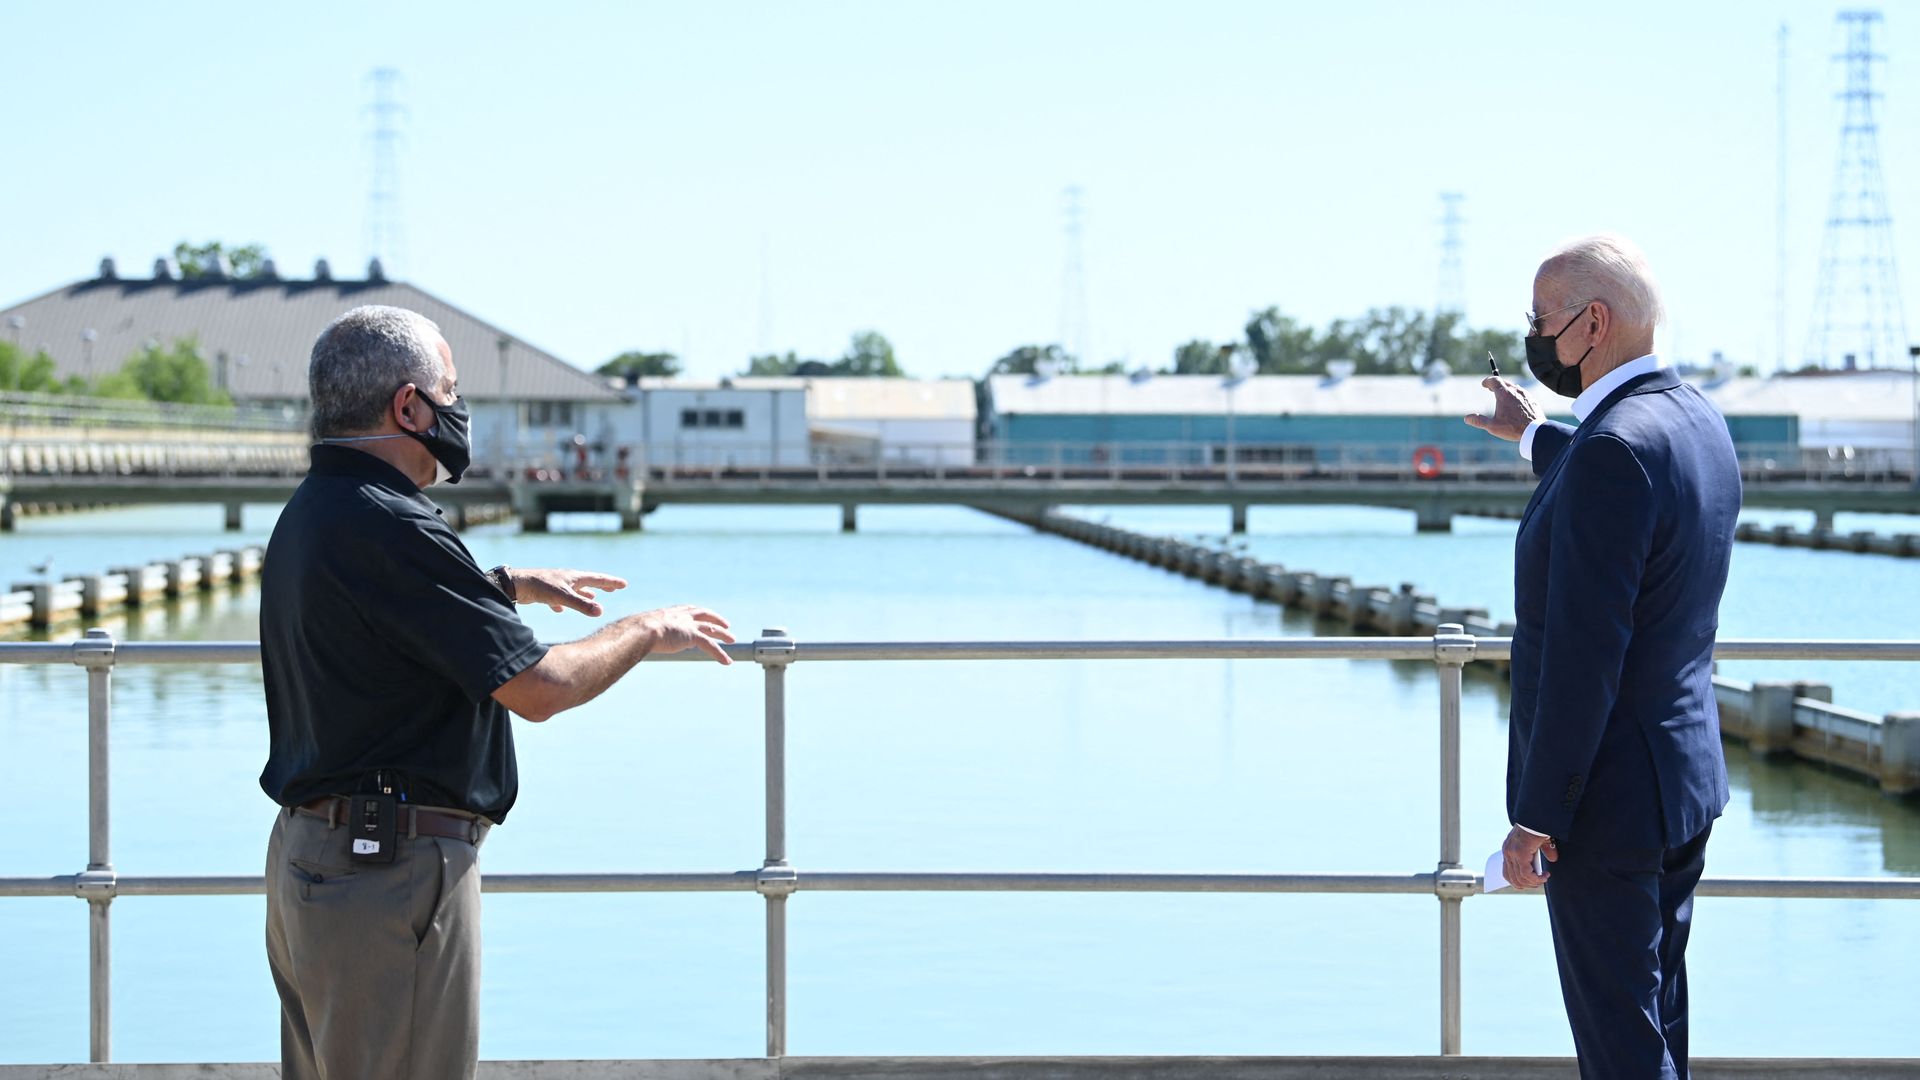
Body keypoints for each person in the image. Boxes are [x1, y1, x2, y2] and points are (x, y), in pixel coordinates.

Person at [259, 305, 735, 1080]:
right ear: (408, 407)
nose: (459, 411)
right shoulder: (392, 525)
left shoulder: (319, 510)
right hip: (389, 876)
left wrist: (503, 587)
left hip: (315, 864)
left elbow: (386, 619)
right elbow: (541, 689)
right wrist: (646, 630)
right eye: (449, 392)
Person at [1465, 234, 1741, 1078]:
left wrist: (1538, 820)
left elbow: (1586, 659)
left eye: (1541, 320)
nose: (1532, 336)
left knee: (1620, 1046)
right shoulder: (1693, 422)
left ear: (1593, 323)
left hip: (1607, 806)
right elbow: (1612, 480)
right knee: (1656, 1022)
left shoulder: (1614, 450)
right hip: (1680, 787)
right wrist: (1533, 435)